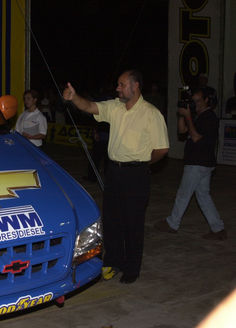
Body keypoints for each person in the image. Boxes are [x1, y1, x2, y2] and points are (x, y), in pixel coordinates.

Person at [63, 69, 169, 284]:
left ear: (135, 85)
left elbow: (162, 149)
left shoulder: (151, 114)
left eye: (121, 84)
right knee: (112, 221)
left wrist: (141, 164)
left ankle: (132, 268)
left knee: (133, 223)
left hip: (136, 174)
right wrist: (74, 98)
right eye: (118, 84)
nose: (117, 88)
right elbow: (90, 106)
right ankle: (112, 262)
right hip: (114, 172)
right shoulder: (115, 107)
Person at [154, 87, 226, 240]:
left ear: (207, 100)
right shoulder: (198, 116)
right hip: (200, 163)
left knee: (183, 194)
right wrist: (183, 114)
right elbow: (182, 131)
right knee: (203, 196)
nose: (195, 104)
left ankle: (172, 223)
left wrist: (188, 117)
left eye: (197, 101)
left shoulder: (209, 117)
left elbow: (196, 138)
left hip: (199, 162)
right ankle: (218, 228)